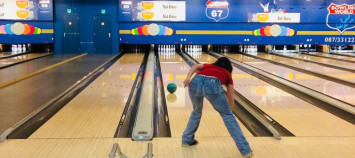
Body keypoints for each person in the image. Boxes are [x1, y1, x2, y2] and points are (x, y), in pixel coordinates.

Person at [182, 57, 253, 157]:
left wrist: (187, 78)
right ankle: (245, 150)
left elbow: (196, 66)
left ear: (217, 62)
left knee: (196, 112)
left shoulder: (208, 65)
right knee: (228, 116)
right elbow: (230, 94)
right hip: (212, 85)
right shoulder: (227, 74)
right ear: (229, 67)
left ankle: (186, 140)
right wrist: (230, 111)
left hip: (195, 82)